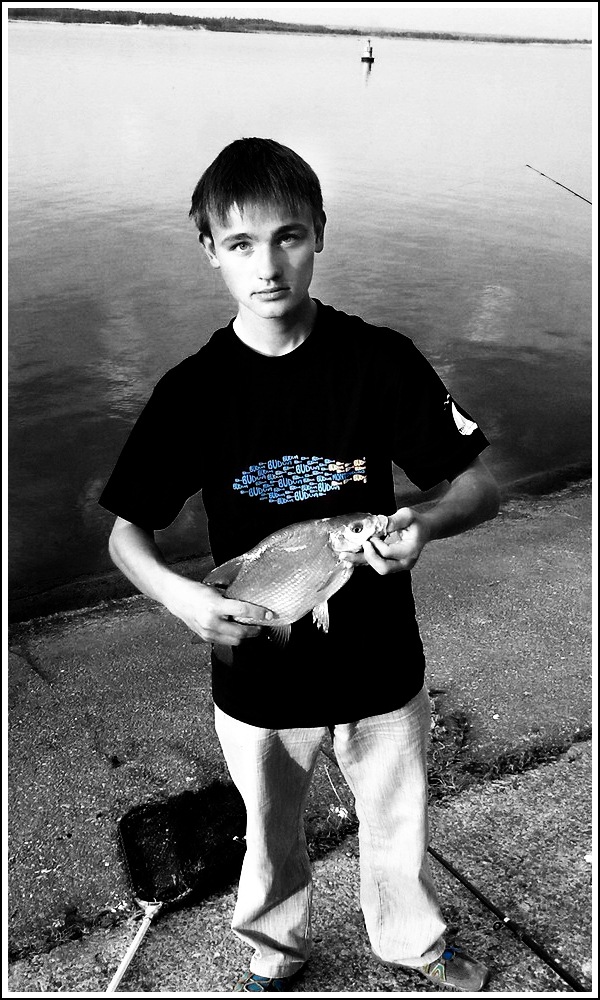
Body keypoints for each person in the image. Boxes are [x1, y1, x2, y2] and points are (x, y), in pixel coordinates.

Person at [99, 137, 500, 992]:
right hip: (258, 682)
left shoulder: (379, 360)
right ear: (210, 250)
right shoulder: (192, 392)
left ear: (319, 232)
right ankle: (275, 949)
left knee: (399, 825)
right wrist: (183, 600)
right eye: (241, 243)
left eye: (287, 237)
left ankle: (415, 943)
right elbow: (127, 536)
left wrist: (426, 525)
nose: (268, 265)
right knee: (270, 833)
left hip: (381, 669)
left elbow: (478, 487)